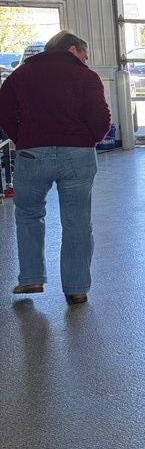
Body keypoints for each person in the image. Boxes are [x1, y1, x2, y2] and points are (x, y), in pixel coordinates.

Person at [0, 31, 111, 305]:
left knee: (28, 215)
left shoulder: (21, 75)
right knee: (77, 222)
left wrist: (22, 138)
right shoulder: (86, 77)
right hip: (78, 155)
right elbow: (101, 118)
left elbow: (2, 110)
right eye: (84, 55)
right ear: (73, 49)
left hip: (31, 155)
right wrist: (89, 140)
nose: (85, 61)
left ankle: (31, 279)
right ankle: (76, 288)